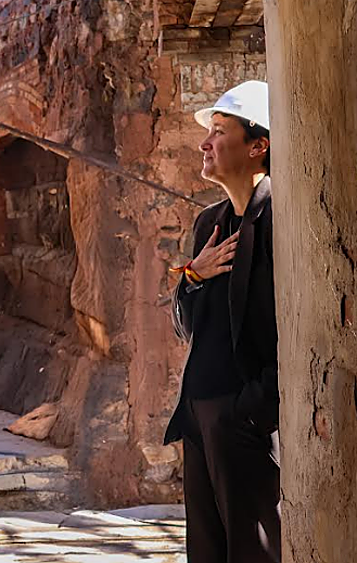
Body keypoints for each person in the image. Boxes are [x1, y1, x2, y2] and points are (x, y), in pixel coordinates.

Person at [164, 80, 281, 562]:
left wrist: (252, 411)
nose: (204, 144)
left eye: (218, 131)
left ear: (258, 145)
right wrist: (193, 276)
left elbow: (289, 330)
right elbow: (186, 326)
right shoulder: (208, 223)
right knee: (207, 553)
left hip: (246, 419)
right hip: (199, 416)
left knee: (253, 553)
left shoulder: (280, 215)